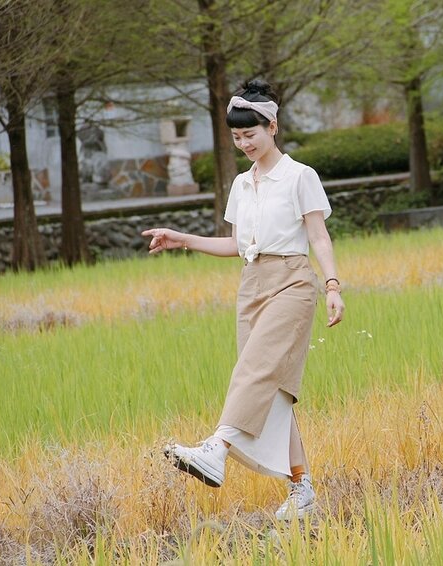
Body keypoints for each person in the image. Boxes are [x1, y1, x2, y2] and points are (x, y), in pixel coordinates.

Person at [142, 79, 344, 520]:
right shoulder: (240, 184)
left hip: (293, 281)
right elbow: (236, 245)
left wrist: (332, 285)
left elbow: (318, 236)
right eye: (236, 137)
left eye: (250, 134)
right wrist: (181, 239)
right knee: (271, 390)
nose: (244, 143)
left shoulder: (300, 176)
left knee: (254, 371)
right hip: (251, 284)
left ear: (272, 126)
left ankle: (216, 447)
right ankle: (302, 487)